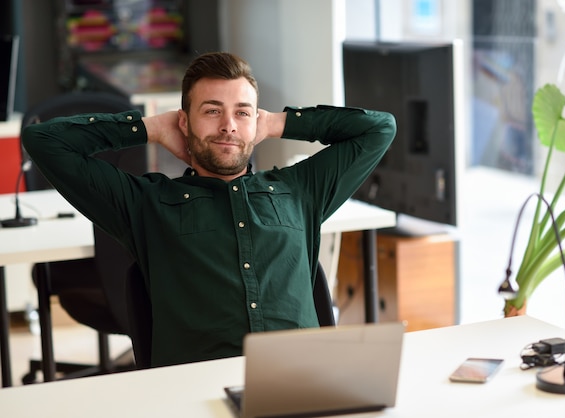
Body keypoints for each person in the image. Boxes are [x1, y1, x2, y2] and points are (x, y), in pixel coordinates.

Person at [22, 51, 397, 368]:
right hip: (199, 388)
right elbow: (45, 140)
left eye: (242, 113)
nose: (228, 126)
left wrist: (276, 122)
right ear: (184, 122)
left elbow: (380, 128)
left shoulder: (299, 189)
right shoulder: (145, 202)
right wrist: (149, 128)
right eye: (212, 111)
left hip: (301, 377)